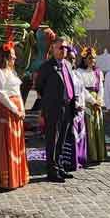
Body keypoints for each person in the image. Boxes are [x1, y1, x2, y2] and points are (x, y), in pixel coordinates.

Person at [33, 37, 75, 183]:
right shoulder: (46, 66)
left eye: (66, 48)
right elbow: (39, 87)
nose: (64, 50)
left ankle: (59, 166)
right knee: (53, 139)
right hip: (53, 108)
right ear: (53, 49)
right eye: (60, 48)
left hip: (68, 106)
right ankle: (51, 171)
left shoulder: (68, 65)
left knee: (62, 139)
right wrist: (45, 107)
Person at [0, 44, 28, 190]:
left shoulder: (13, 73)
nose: (15, 57)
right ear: (5, 57)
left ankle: (17, 177)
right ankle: (5, 180)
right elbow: (1, 94)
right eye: (12, 55)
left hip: (16, 111)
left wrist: (22, 109)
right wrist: (14, 109)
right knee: (6, 144)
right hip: (4, 111)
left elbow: (18, 92)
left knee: (15, 143)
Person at [77, 48, 107, 164]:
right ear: (84, 59)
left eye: (94, 58)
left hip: (97, 102)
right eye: (90, 58)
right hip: (87, 101)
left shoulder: (98, 72)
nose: (92, 60)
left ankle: (100, 154)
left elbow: (101, 87)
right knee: (89, 126)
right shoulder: (79, 72)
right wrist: (92, 101)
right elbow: (81, 89)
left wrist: (99, 100)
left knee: (98, 126)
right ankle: (90, 154)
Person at [64, 45, 88, 170]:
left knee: (81, 134)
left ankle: (80, 159)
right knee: (72, 136)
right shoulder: (63, 74)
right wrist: (75, 105)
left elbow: (82, 91)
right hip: (70, 109)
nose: (72, 61)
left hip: (80, 109)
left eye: (73, 59)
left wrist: (83, 104)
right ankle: (71, 162)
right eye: (69, 58)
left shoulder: (77, 74)